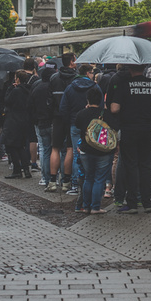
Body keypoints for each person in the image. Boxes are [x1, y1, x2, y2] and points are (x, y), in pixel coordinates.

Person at [108, 64, 151, 213]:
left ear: (130, 69)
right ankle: (147, 202)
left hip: (129, 128)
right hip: (147, 128)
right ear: (144, 68)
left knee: (130, 164)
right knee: (145, 165)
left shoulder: (125, 84)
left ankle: (132, 203)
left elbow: (114, 108)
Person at [60, 64, 101, 193]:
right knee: (94, 153)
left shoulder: (70, 88)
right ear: (88, 73)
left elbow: (63, 108)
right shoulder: (95, 87)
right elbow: (102, 106)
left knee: (77, 154)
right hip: (93, 125)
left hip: (74, 124)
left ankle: (75, 184)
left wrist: (68, 122)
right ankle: (91, 182)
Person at [75, 86, 110, 214]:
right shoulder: (105, 114)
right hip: (102, 150)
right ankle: (96, 207)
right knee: (99, 178)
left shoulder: (81, 114)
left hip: (85, 149)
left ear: (88, 99)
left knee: (88, 178)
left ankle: (86, 205)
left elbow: (78, 125)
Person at [47, 53, 78, 192]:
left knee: (55, 148)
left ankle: (52, 181)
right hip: (71, 117)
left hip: (56, 116)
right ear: (71, 62)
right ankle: (66, 181)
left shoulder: (54, 78)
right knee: (70, 149)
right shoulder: (76, 79)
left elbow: (49, 100)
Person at [2, 70, 34, 179]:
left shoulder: (16, 91)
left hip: (14, 120)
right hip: (24, 120)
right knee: (21, 146)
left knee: (11, 146)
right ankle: (26, 169)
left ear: (18, 79)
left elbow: (7, 101)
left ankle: (17, 169)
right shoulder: (29, 90)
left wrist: (10, 89)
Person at [28, 65, 56, 188]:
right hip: (52, 122)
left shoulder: (36, 88)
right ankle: (56, 176)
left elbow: (30, 105)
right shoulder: (53, 88)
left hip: (40, 122)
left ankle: (45, 178)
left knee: (44, 150)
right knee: (56, 149)